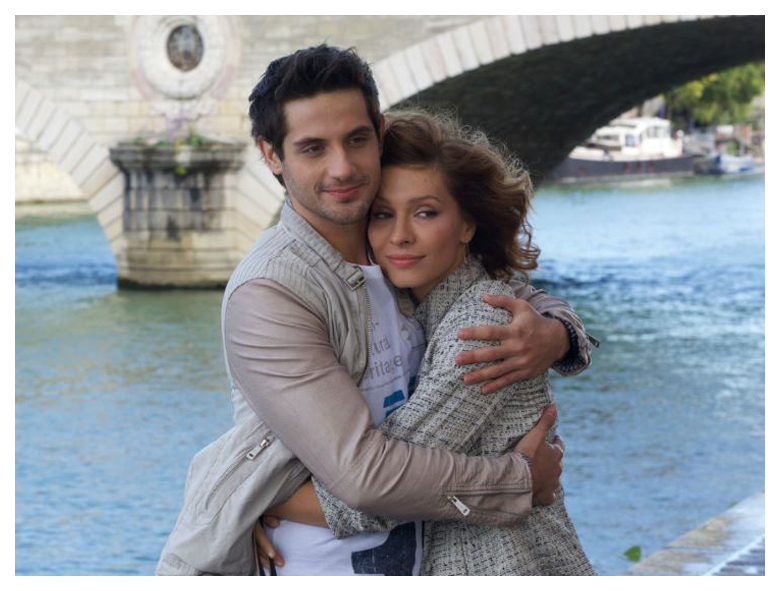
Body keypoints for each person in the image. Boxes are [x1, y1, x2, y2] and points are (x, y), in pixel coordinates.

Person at [156, 44, 591, 576]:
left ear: (379, 133)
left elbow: (493, 290)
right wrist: (520, 481)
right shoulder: (272, 291)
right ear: (272, 155)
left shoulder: (395, 255)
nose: (342, 168)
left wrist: (558, 334)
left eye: (356, 140)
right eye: (313, 148)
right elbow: (365, 478)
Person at [255, 109, 595, 575]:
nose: (400, 235)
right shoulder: (406, 306)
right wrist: (563, 332)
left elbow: (382, 490)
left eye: (425, 212)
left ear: (467, 225)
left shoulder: (480, 326)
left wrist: (259, 503)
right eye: (383, 214)